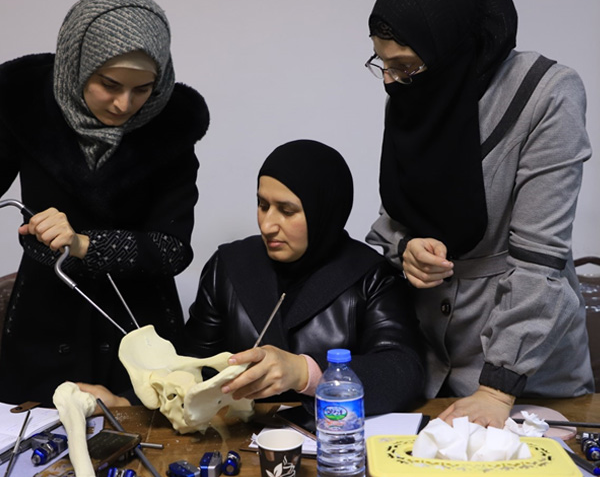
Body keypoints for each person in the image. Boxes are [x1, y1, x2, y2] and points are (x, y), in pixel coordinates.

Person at [0, 0, 209, 406]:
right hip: (46, 314)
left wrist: (84, 244)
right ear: (77, 63)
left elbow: (172, 251)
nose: (124, 103)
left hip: (137, 323)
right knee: (34, 452)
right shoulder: (28, 108)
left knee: (144, 451)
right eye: (109, 84)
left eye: (143, 89)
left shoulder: (171, 129)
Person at [364, 0, 594, 427]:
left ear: (447, 49)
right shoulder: (418, 92)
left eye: (405, 66)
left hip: (524, 376)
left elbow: (540, 259)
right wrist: (406, 249)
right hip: (433, 367)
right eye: (382, 65)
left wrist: (497, 386)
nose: (391, 81)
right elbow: (391, 222)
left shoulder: (545, 94)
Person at [82, 140, 425, 415]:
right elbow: (190, 368)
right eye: (262, 205)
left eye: (287, 210)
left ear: (326, 211)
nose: (267, 224)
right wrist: (125, 402)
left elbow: (403, 371)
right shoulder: (229, 268)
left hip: (332, 447)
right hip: (239, 447)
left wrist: (305, 372)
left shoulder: (371, 276)